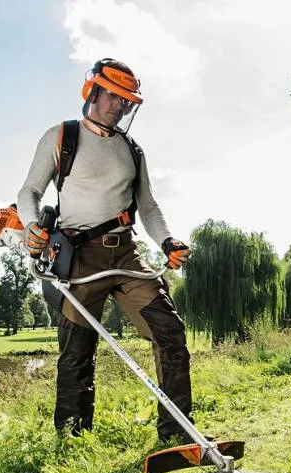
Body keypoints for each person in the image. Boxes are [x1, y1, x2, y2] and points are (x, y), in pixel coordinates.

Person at [16, 58, 194, 443]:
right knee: (76, 353)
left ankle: (177, 435)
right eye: (114, 95)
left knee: (170, 333)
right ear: (93, 92)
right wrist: (31, 226)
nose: (120, 105)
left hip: (126, 256)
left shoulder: (132, 150)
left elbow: (147, 206)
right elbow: (29, 192)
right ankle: (73, 441)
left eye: (126, 100)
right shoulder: (62, 137)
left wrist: (167, 241)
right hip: (79, 258)